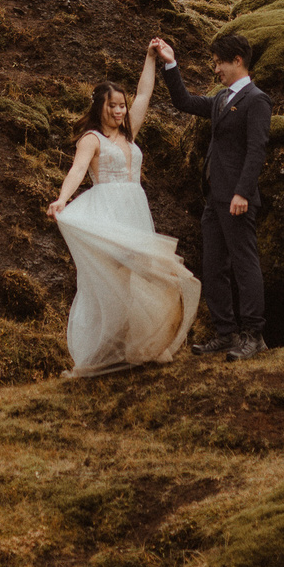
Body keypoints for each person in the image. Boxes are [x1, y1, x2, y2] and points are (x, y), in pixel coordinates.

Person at [44, 45, 201, 377]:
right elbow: (76, 171)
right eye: (112, 106)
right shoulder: (92, 139)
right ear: (100, 107)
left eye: (121, 106)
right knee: (114, 279)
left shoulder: (129, 131)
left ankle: (141, 345)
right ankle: (104, 350)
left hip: (134, 208)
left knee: (143, 276)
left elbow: (145, 93)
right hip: (108, 212)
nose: (119, 111)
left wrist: (150, 58)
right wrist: (62, 198)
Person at [151, 30, 270, 361]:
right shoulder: (221, 99)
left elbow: (257, 149)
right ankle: (226, 333)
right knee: (213, 265)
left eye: (219, 63)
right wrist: (171, 64)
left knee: (245, 265)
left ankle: (253, 336)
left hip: (236, 199)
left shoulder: (257, 100)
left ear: (238, 60)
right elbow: (184, 102)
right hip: (213, 199)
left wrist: (242, 192)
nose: (215, 69)